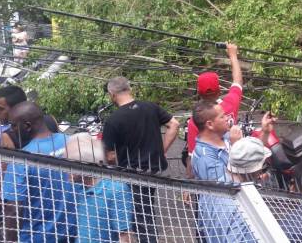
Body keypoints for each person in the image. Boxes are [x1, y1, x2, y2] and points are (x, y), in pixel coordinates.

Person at [101, 76, 180, 243]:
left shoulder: (113, 120)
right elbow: (174, 124)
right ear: (129, 89)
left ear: (112, 95)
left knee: (142, 220)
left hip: (132, 176)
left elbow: (110, 155)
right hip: (154, 170)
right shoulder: (150, 107)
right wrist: (161, 150)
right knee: (145, 212)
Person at [191, 101, 275, 243]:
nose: (227, 118)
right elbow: (228, 188)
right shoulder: (203, 159)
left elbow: (251, 157)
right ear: (210, 124)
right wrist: (237, 145)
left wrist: (265, 131)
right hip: (225, 220)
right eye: (222, 116)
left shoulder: (225, 137)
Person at [0, 101, 76, 242]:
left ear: (27, 126)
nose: (11, 130)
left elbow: (13, 209)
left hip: (36, 238)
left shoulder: (22, 160)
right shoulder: (71, 143)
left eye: (13, 125)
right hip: (73, 233)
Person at [63, 132, 135, 243]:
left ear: (83, 164)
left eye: (69, 164)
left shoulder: (115, 189)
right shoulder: (80, 189)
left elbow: (126, 237)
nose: (65, 169)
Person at [185, 43, 243, 178]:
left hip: (214, 170)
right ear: (219, 90)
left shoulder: (196, 119)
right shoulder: (230, 104)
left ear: (198, 92)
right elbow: (238, 81)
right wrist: (233, 55)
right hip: (233, 163)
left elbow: (191, 155)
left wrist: (188, 184)